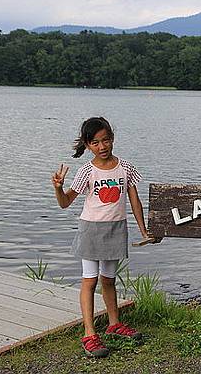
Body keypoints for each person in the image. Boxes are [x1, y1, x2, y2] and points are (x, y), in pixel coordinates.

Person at [52, 117, 149, 358]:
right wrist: (58, 188)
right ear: (87, 145)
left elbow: (134, 201)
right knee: (89, 281)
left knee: (108, 280)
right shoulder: (87, 170)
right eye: (95, 142)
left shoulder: (125, 167)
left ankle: (114, 323)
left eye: (106, 140)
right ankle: (89, 333)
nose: (102, 146)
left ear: (112, 138)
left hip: (116, 229)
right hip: (91, 230)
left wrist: (144, 231)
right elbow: (65, 203)